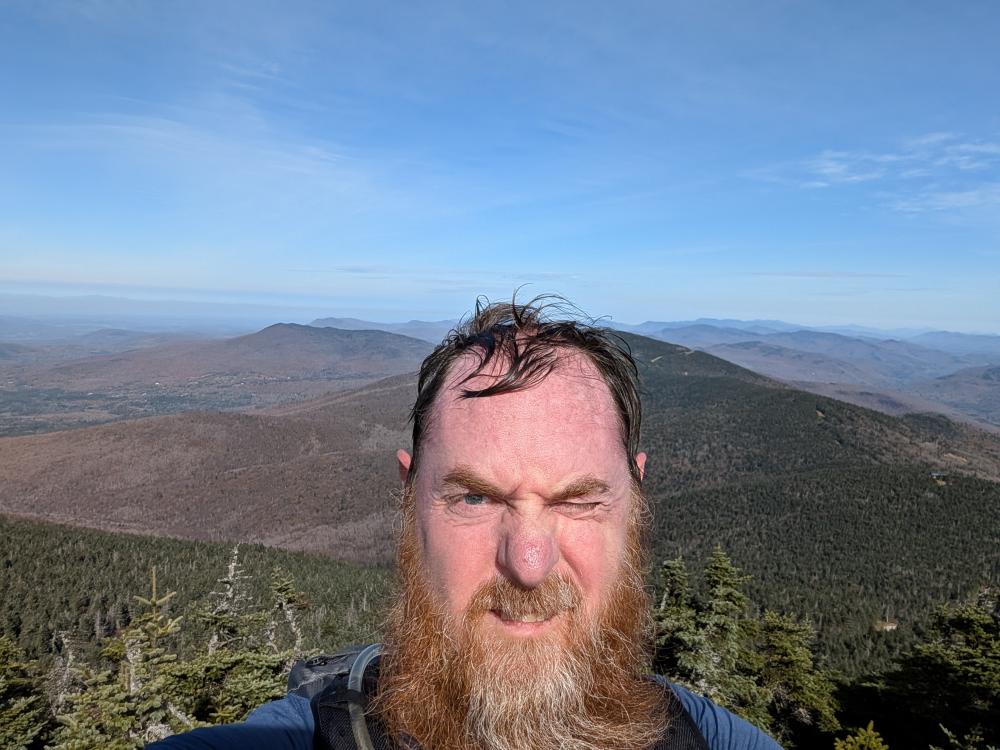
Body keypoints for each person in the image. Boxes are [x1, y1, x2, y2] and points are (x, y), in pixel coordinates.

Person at [151, 296, 782, 750]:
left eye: (577, 501)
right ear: (409, 497)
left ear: (635, 498)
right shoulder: (316, 734)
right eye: (475, 499)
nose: (528, 564)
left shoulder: (699, 734)